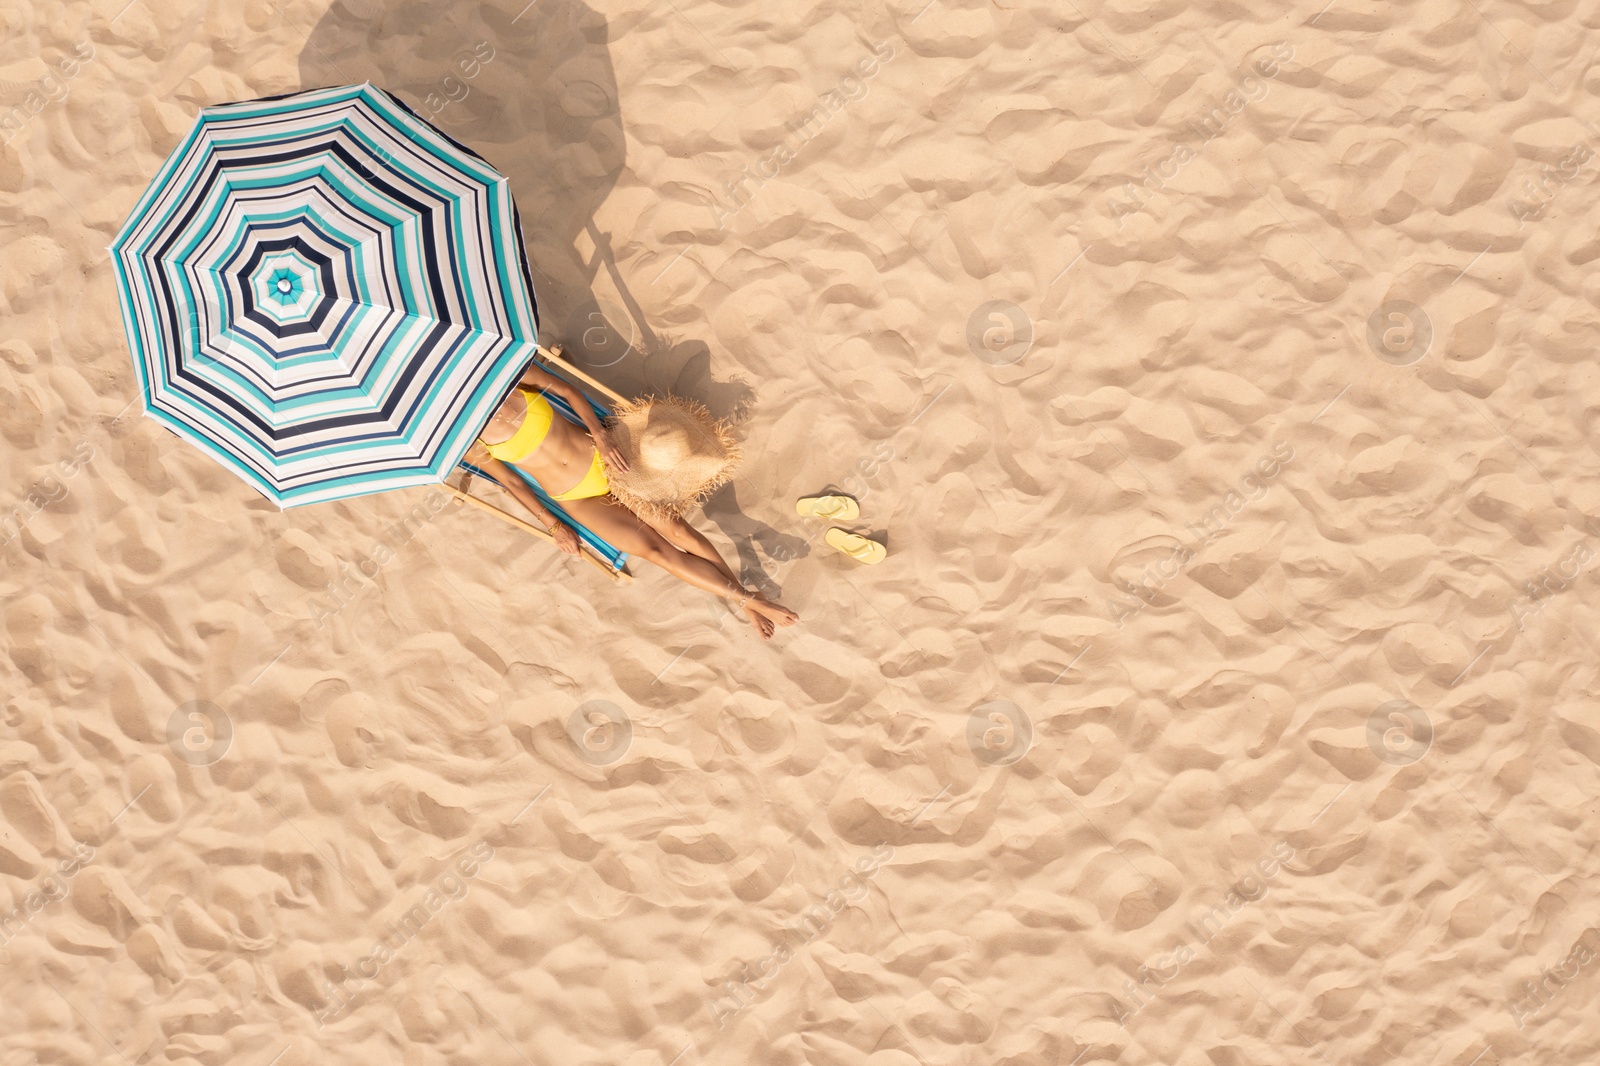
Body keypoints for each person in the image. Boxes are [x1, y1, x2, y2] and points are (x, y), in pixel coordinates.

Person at [467, 362, 799, 639]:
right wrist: (552, 524)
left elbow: (568, 392)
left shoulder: (512, 377)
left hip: (610, 462)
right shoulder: (471, 439)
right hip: (577, 498)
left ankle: (749, 602)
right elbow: (511, 480)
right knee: (658, 552)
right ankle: (747, 601)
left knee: (678, 530)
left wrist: (600, 435)